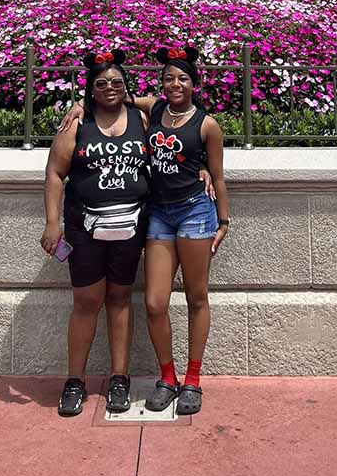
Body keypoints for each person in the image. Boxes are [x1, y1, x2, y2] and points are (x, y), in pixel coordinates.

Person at [60, 45, 229, 415]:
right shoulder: (152, 110)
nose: (175, 84)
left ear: (195, 83)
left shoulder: (206, 123)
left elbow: (216, 173)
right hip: (157, 214)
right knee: (154, 302)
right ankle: (167, 377)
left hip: (195, 213)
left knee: (197, 297)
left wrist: (224, 219)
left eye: (183, 78)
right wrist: (79, 107)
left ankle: (193, 381)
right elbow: (117, 96)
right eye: (169, 78)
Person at [41, 49, 150, 417]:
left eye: (117, 82)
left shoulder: (142, 118)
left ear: (127, 87)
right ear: (90, 88)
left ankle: (120, 377)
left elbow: (175, 107)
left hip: (131, 226)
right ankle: (75, 380)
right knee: (86, 302)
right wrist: (52, 223)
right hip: (83, 227)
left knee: (120, 299)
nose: (109, 88)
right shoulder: (78, 123)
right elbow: (55, 173)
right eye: (100, 83)